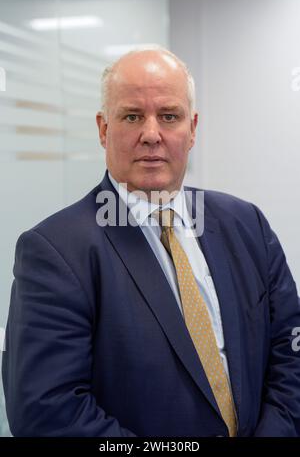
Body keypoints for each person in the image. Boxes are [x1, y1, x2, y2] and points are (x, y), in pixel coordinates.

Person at [2, 46, 300, 437]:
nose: (151, 135)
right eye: (132, 116)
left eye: (169, 116)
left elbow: (290, 354)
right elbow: (48, 410)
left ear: (192, 129)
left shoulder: (247, 226)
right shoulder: (55, 251)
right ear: (103, 129)